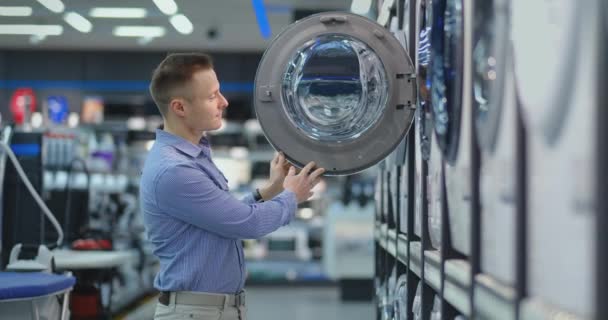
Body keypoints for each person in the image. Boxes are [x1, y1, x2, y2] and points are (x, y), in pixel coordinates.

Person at [140, 52, 325, 320]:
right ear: (179, 107)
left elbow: (223, 218)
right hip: (196, 313)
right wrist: (291, 196)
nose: (224, 102)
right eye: (212, 96)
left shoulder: (194, 156)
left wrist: (272, 189)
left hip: (211, 310)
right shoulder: (175, 170)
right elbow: (245, 224)